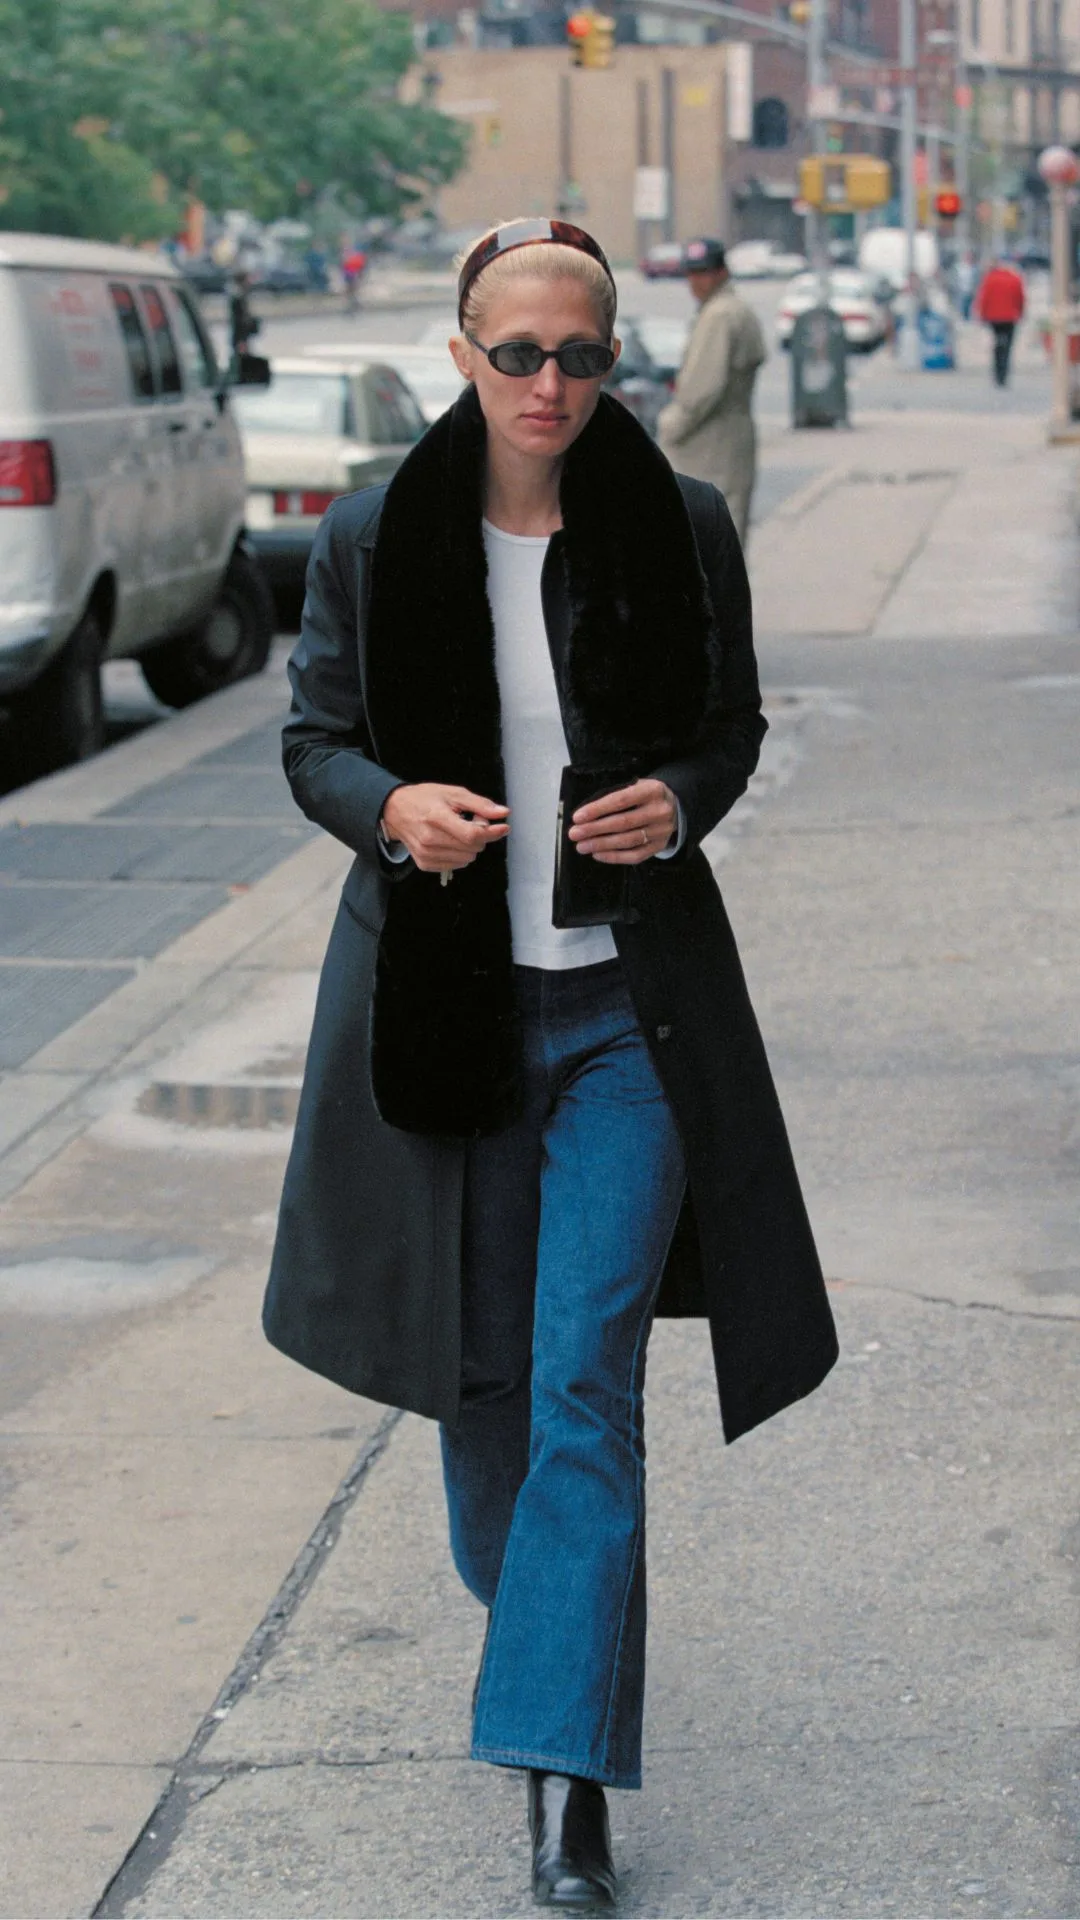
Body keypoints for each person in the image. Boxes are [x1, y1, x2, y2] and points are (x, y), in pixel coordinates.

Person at [263, 216, 837, 1911]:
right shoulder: (375, 534)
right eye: (517, 353)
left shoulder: (683, 524)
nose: (549, 384)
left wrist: (683, 801)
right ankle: (547, 1644)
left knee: (588, 1381)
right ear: (462, 355)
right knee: (489, 1394)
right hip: (451, 1017)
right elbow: (312, 742)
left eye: (581, 356)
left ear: (613, 361)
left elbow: (728, 727)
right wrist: (393, 810)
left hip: (624, 1021)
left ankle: (564, 1790)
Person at [657, 237, 767, 546]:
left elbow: (699, 391)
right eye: (691, 272)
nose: (695, 281)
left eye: (703, 272)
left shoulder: (719, 316)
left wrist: (668, 430)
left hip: (708, 449)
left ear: (721, 272)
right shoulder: (736, 310)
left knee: (705, 547)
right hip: (729, 441)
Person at [973, 255, 1025, 386]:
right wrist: (1020, 312)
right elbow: (1020, 297)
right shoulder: (1015, 278)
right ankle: (1004, 372)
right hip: (1010, 317)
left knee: (997, 344)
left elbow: (984, 298)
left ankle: (997, 372)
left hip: (994, 317)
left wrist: (982, 314)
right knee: (1008, 346)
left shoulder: (990, 279)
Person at [228, 270, 259, 359]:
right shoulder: (238, 297)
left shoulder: (238, 295)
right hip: (241, 337)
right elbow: (241, 319)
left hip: (241, 336)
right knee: (242, 357)